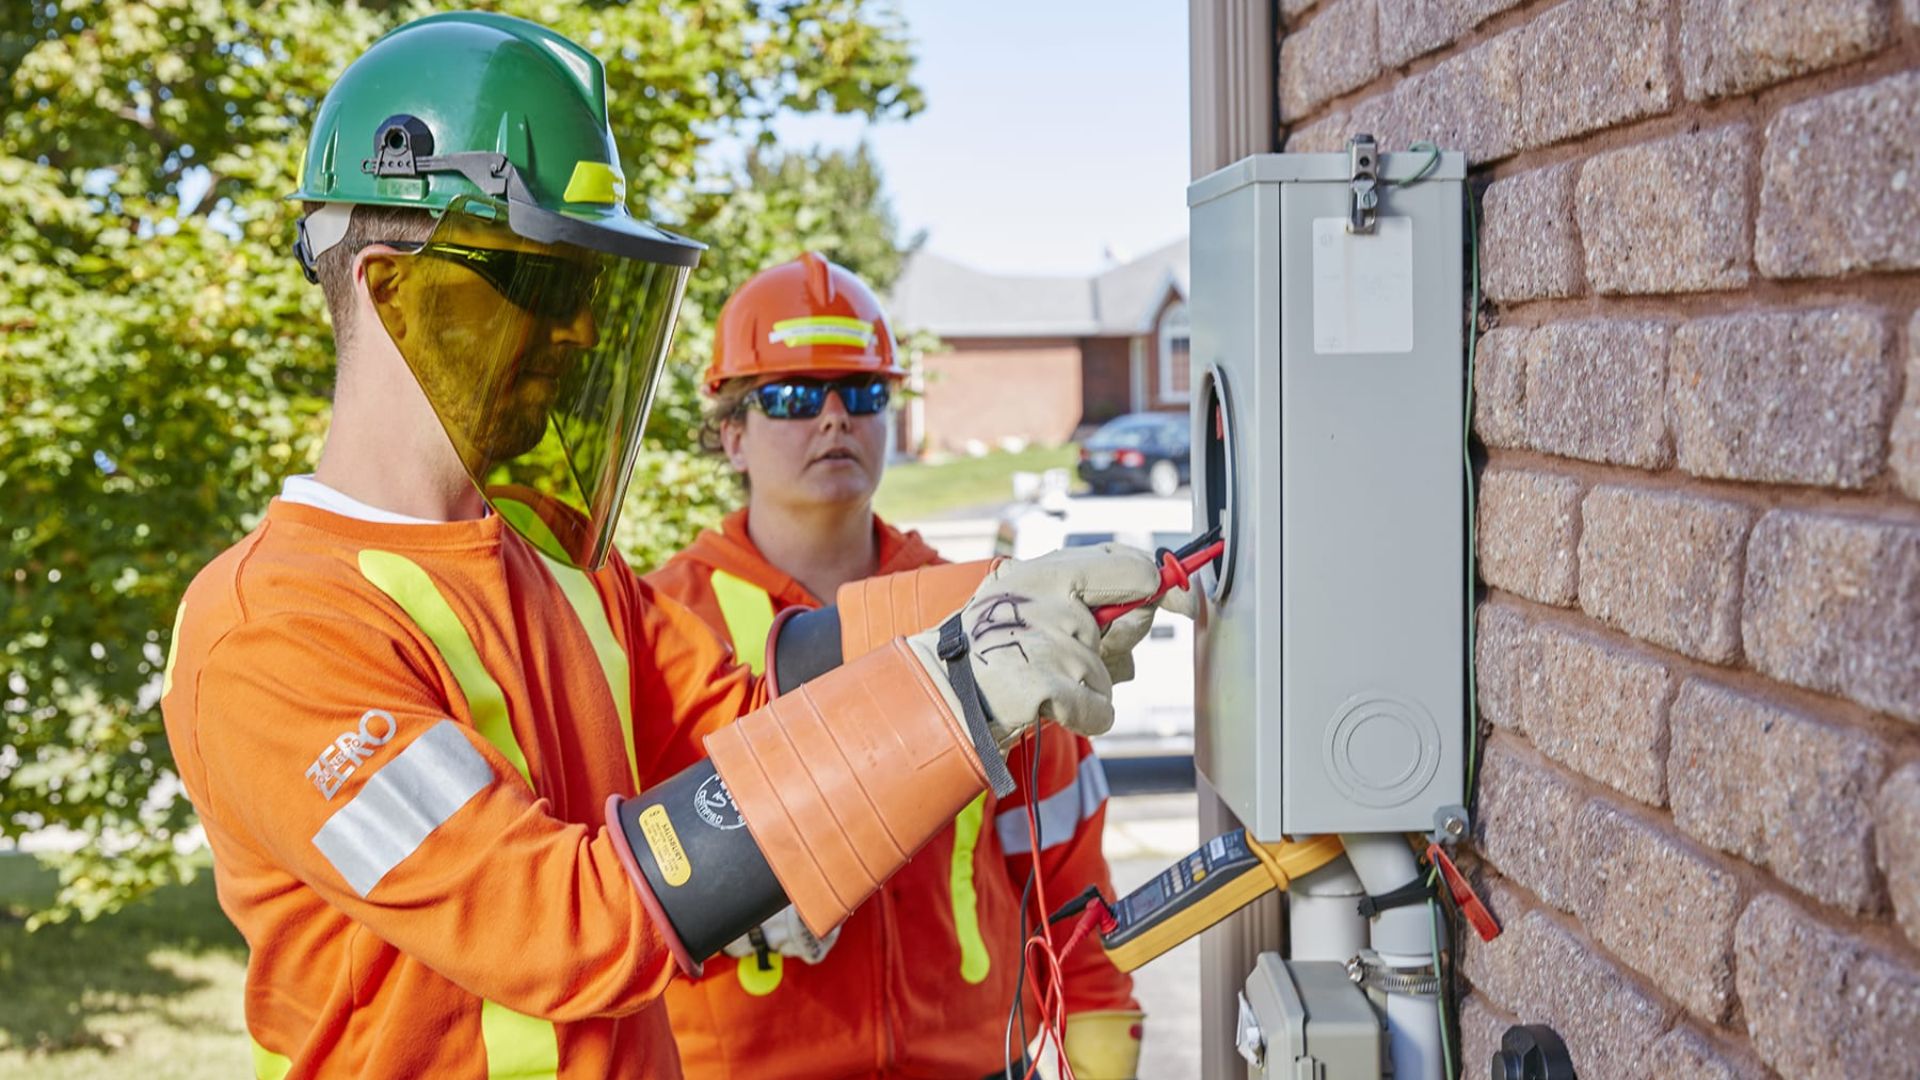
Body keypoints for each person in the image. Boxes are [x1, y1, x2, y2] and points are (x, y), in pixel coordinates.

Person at [158, 12, 1186, 1080]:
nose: (585, 334)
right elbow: (558, 924)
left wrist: (994, 600)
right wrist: (958, 693)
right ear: (392, 289)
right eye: (550, 285)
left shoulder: (560, 563)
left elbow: (757, 709)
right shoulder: (274, 632)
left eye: (592, 294)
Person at [645, 253, 1145, 1079]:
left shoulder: (980, 609)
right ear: (732, 433)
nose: (835, 418)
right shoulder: (658, 626)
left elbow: (1064, 862)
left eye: (864, 394)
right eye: (795, 398)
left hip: (973, 1061)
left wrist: (1099, 1040)